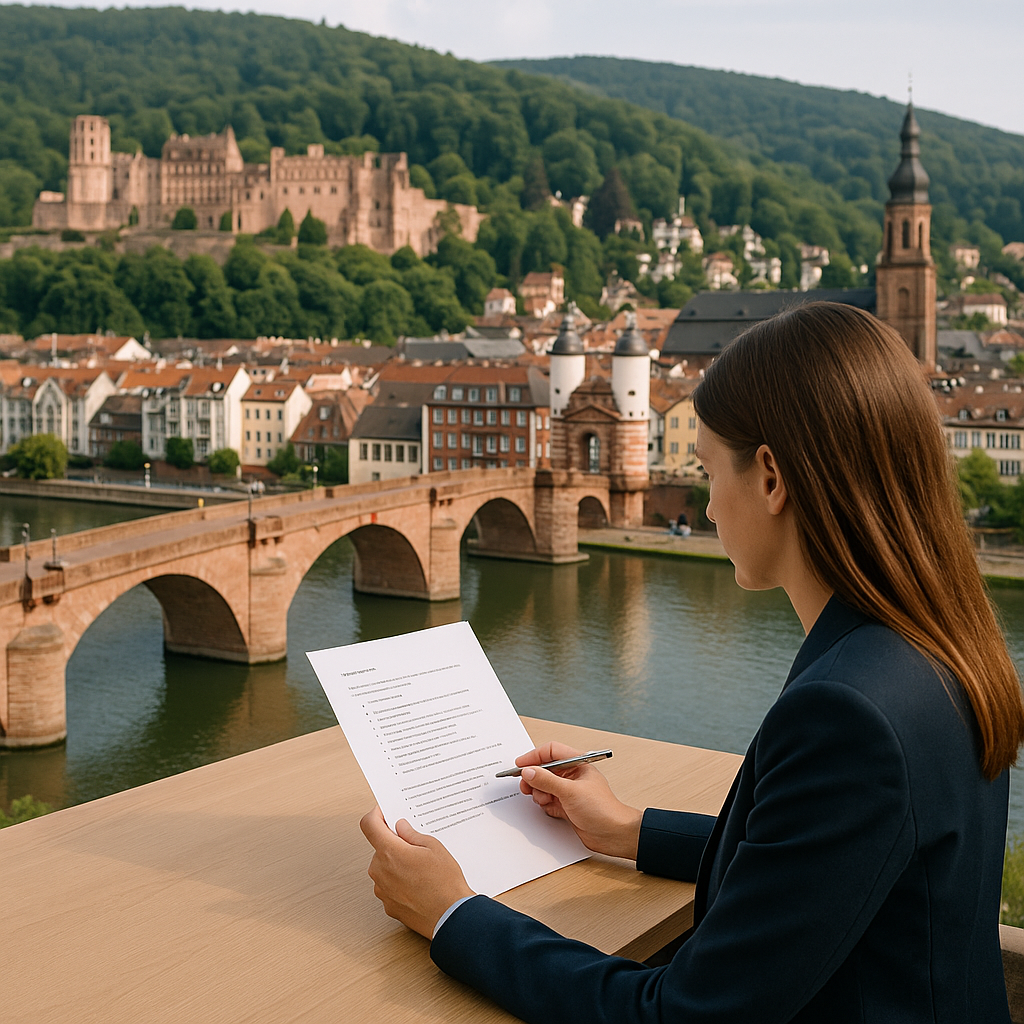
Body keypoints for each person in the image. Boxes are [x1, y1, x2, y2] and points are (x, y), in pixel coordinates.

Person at [360, 301, 1024, 1023]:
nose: (705, 508)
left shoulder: (848, 712)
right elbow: (820, 862)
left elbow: (680, 1016)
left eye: (709, 471)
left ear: (771, 477)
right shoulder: (934, 646)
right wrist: (628, 828)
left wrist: (454, 913)